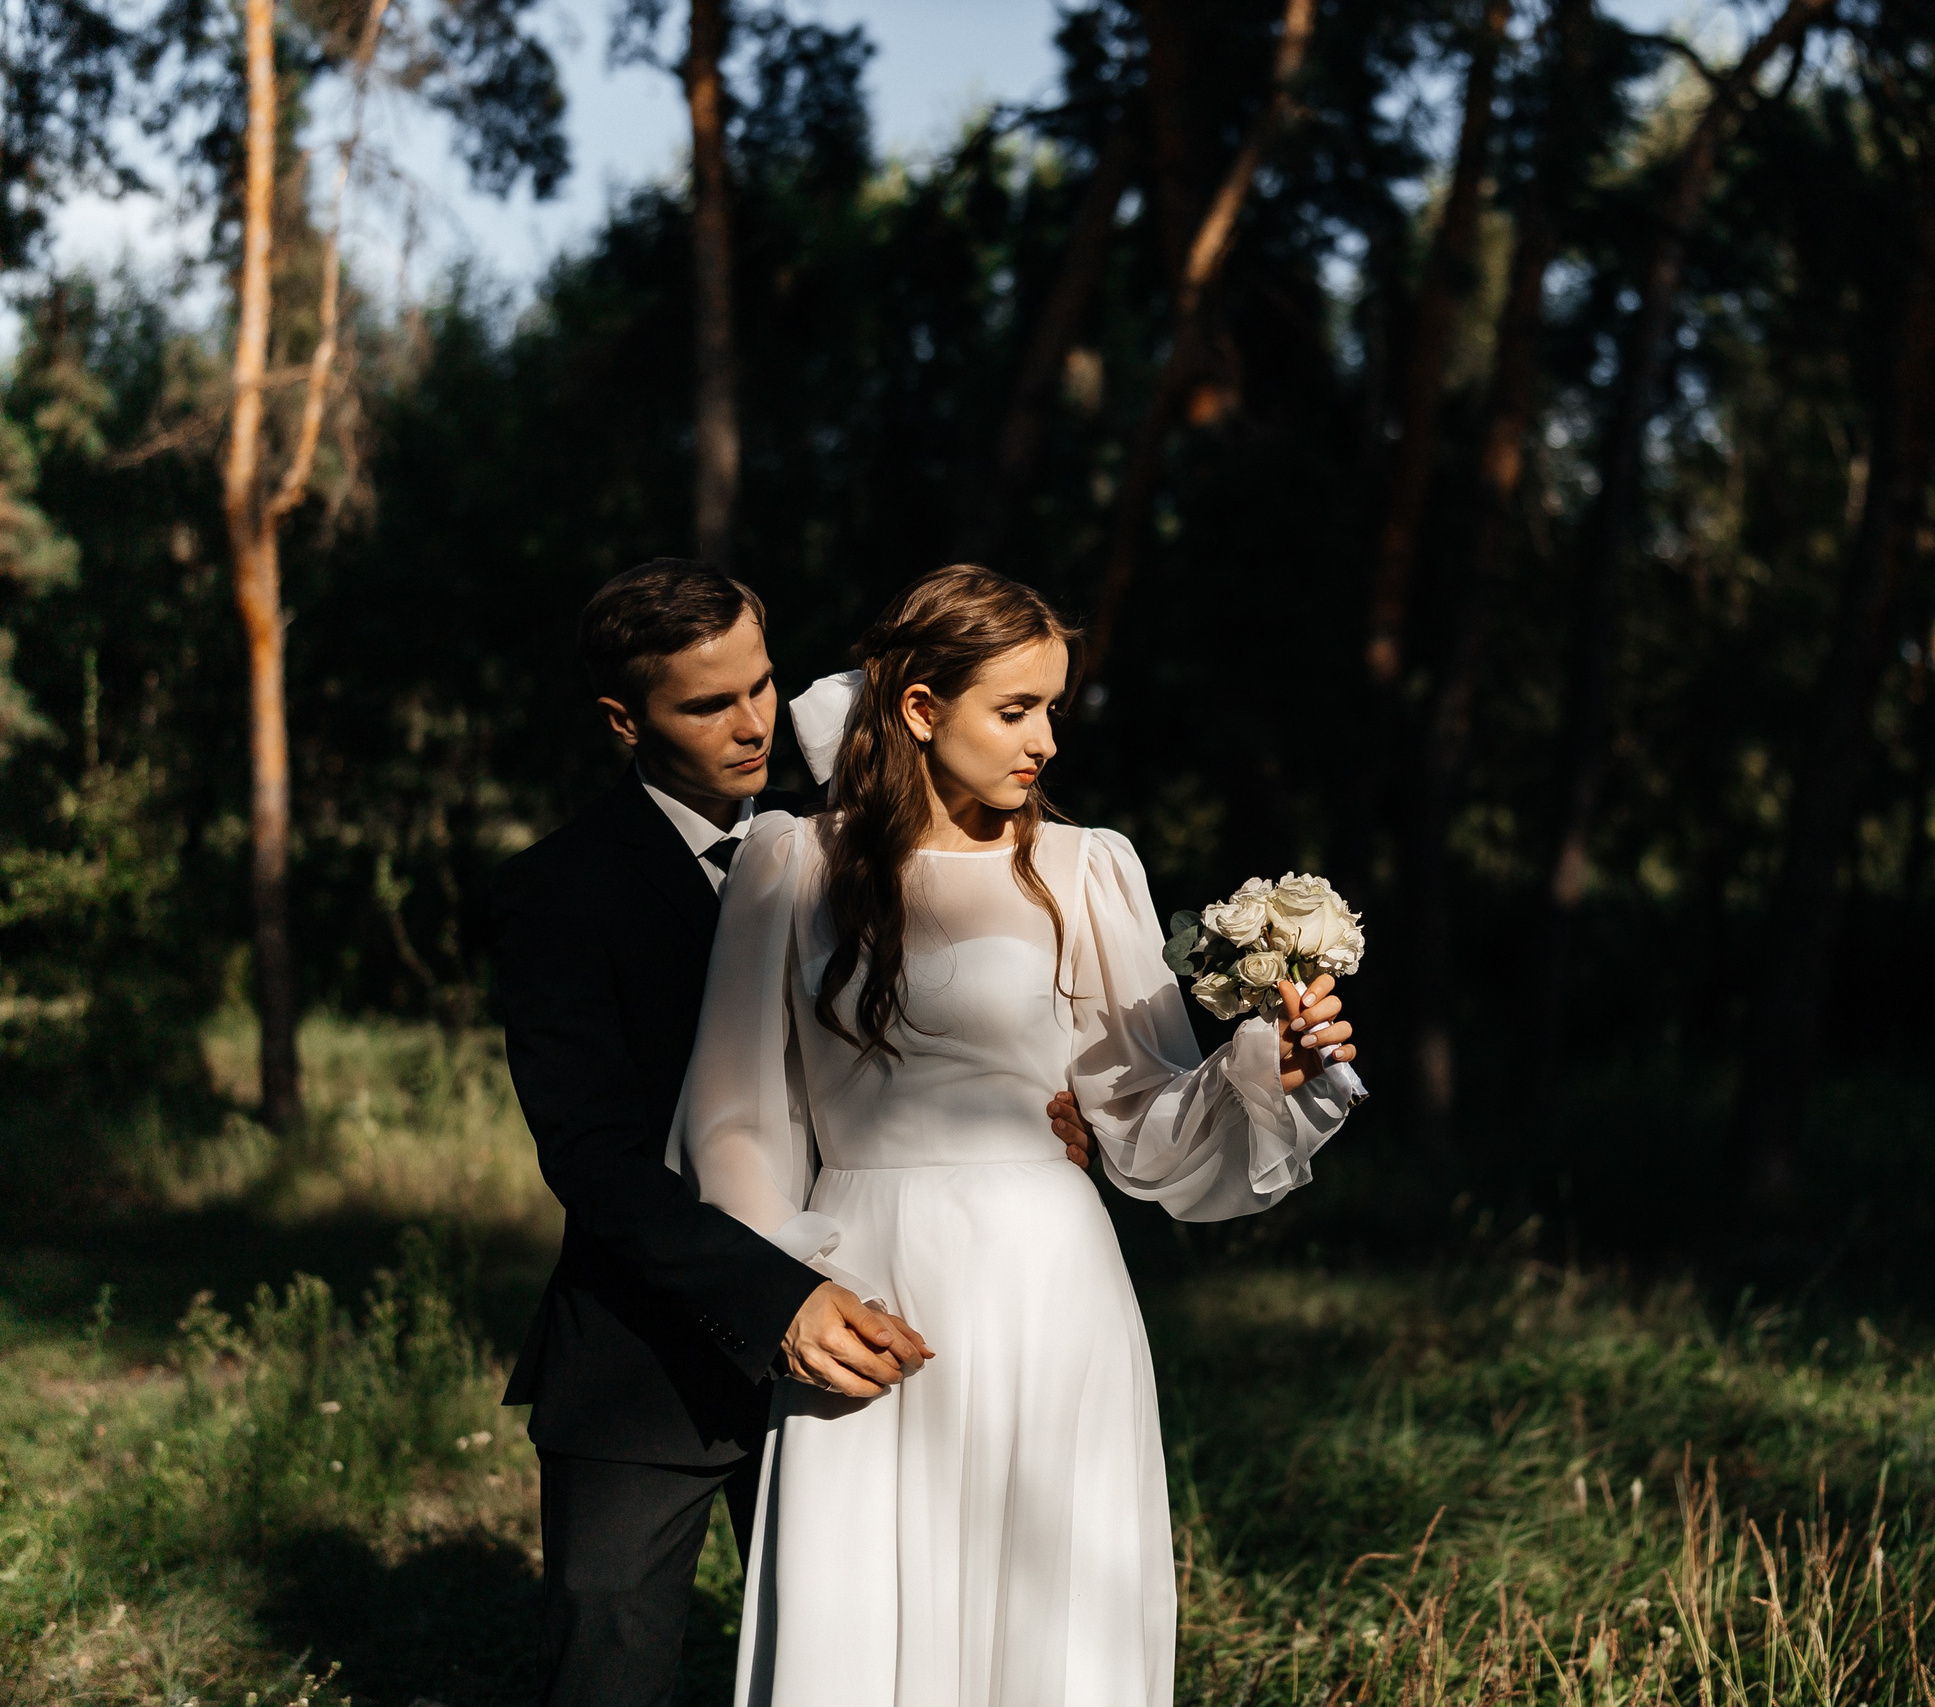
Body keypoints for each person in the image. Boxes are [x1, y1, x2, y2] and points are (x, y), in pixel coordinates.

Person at [671, 564, 1361, 1707]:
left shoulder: (1087, 868)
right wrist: (788, 1288)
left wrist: (1261, 1068)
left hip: (1051, 1285)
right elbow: (731, 1113)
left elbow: (1140, 1110)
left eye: (1051, 708)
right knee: (859, 1609)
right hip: (862, 1277)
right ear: (921, 709)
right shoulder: (790, 862)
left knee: (1056, 1619)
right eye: (1014, 709)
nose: (1043, 740)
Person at [491, 560, 1097, 1707]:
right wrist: (777, 1296)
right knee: (607, 1671)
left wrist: (1040, 1118)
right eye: (707, 704)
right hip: (648, 1357)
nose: (753, 723)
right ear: (624, 719)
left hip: (872, 1338)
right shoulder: (558, 891)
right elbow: (594, 1158)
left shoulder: (853, 838)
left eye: (764, 685)